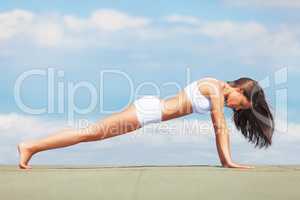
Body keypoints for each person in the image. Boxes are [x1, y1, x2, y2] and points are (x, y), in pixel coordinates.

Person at [18, 77, 274, 169]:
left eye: (239, 109)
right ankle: (31, 146)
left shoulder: (216, 90)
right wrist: (227, 162)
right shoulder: (215, 89)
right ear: (241, 88)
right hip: (146, 111)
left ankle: (32, 147)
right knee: (90, 133)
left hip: (148, 112)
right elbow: (220, 126)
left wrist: (225, 159)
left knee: (91, 133)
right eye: (240, 104)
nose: (235, 108)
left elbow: (220, 125)